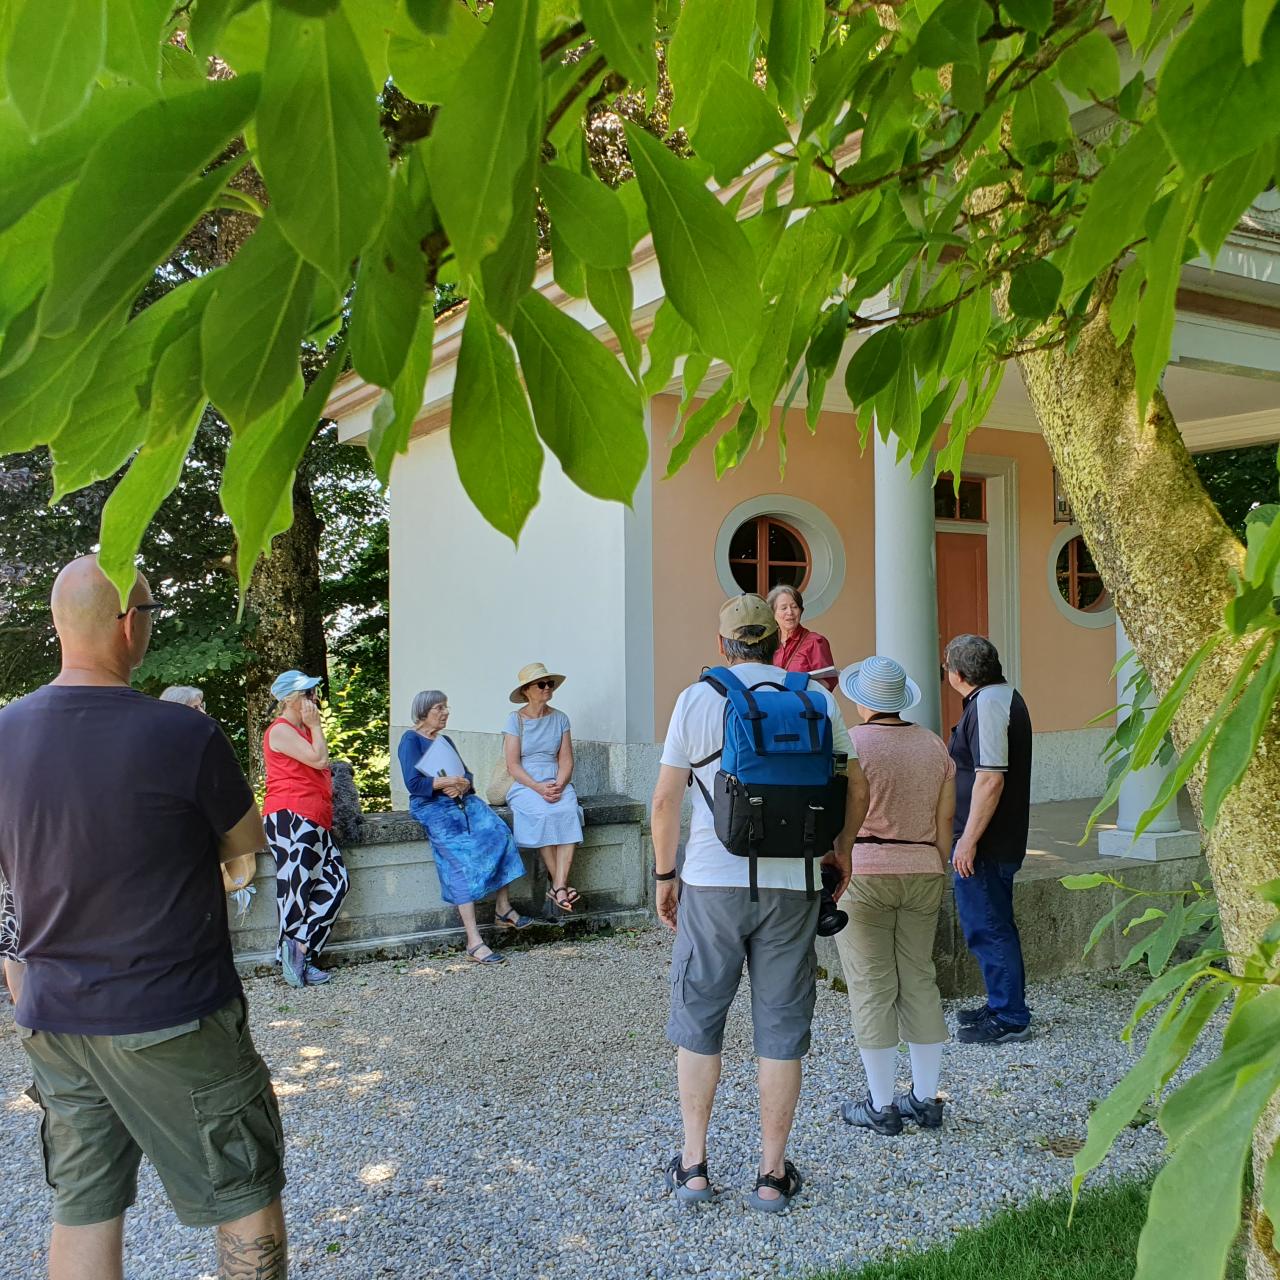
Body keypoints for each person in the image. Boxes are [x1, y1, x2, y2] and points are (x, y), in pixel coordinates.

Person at [0, 555, 286, 1280]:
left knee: (84, 1204)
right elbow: (246, 847)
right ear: (131, 626)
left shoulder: (4, 732)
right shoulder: (181, 735)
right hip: (172, 1014)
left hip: (53, 1016)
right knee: (241, 1190)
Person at [650, 595, 868, 1213]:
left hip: (714, 883)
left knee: (699, 1021)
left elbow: (666, 802)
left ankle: (693, 1166)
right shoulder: (815, 698)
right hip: (793, 886)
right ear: (779, 642)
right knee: (780, 1027)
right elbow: (857, 783)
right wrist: (839, 851)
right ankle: (772, 1176)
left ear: (723, 646)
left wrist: (667, 875)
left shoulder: (698, 699)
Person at [834, 656, 956, 1135]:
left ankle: (881, 1105)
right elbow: (946, 819)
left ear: (863, 700)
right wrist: (935, 863)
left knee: (871, 984)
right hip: (922, 867)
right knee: (919, 979)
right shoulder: (933, 746)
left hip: (863, 870)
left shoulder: (851, 744)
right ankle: (926, 1099)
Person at [944, 634, 1034, 1044]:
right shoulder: (999, 697)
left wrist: (967, 840)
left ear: (958, 674)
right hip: (994, 837)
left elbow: (990, 779)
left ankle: (1009, 1015)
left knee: (989, 926)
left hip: (987, 841)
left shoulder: (990, 705)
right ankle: (1000, 1000)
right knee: (992, 921)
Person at [399, 690, 532, 965]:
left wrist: (462, 784)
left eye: (446, 706)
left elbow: (467, 776)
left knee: (501, 834)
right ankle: (474, 941)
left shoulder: (444, 740)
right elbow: (413, 784)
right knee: (459, 859)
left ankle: (503, 908)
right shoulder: (410, 740)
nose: (446, 712)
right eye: (439, 707)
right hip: (432, 806)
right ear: (424, 712)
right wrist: (444, 784)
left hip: (462, 800)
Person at [263, 670, 349, 989]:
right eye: (307, 694)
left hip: (314, 816)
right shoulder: (281, 730)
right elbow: (319, 760)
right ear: (290, 699)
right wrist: (315, 726)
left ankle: (300, 948)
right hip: (291, 815)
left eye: (314, 692)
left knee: (337, 882)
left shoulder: (300, 730)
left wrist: (312, 727)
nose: (314, 699)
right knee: (296, 890)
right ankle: (298, 957)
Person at [503, 663, 584, 917]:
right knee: (543, 813)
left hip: (554, 777)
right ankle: (560, 887)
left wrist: (559, 784)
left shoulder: (560, 718)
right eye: (542, 684)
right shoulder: (514, 720)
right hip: (526, 781)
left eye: (550, 683)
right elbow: (513, 764)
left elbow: (566, 759)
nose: (547, 688)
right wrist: (538, 787)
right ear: (527, 690)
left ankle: (558, 885)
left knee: (568, 809)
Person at [769, 584, 838, 691]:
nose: (790, 612)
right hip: (773, 705)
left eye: (794, 607)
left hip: (803, 704)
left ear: (801, 611)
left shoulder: (815, 642)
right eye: (784, 608)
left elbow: (828, 682)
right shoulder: (768, 644)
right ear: (773, 613)